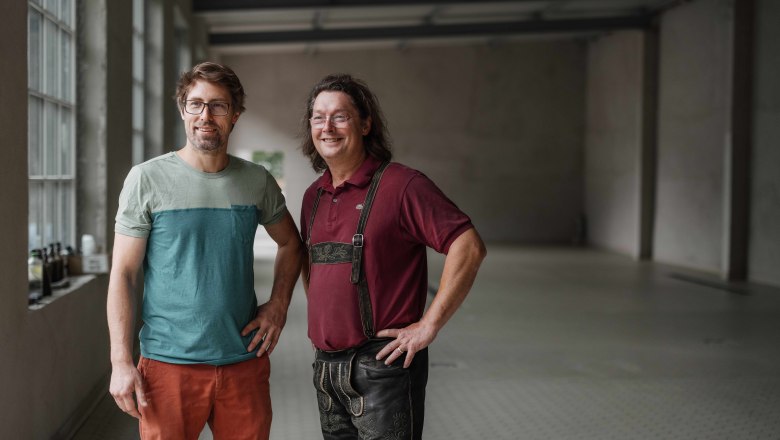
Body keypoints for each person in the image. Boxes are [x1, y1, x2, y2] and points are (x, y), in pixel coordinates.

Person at [107, 62, 303, 440]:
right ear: (183, 110)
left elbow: (291, 244)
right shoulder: (147, 179)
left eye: (218, 106)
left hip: (243, 361)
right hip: (167, 365)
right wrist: (120, 359)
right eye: (195, 104)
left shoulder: (256, 180)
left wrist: (278, 306)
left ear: (235, 116)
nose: (205, 116)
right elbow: (124, 273)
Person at [299, 73, 487, 440]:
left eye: (340, 116)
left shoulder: (403, 186)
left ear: (366, 123)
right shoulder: (313, 196)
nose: (328, 127)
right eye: (319, 117)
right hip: (326, 370)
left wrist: (428, 325)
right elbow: (313, 267)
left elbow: (468, 245)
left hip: (382, 369)